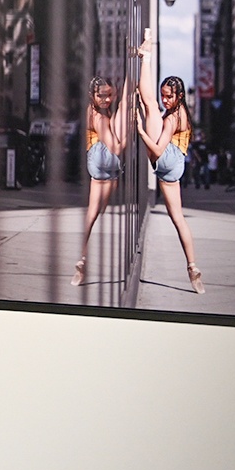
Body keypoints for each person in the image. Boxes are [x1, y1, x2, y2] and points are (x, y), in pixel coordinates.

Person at [135, 44, 204, 294]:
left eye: (169, 96)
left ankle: (146, 57)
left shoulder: (172, 117)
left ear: (180, 96)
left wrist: (141, 131)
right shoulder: (182, 113)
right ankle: (192, 267)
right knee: (179, 219)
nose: (166, 99)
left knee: (150, 105)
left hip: (167, 158)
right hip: (176, 167)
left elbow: (156, 150)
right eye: (164, 95)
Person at [70, 72, 131, 287]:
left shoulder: (90, 113)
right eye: (101, 96)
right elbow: (115, 148)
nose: (106, 100)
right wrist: (129, 135)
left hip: (95, 165)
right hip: (106, 163)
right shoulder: (101, 118)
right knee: (125, 108)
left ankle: (82, 258)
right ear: (91, 95)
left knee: (92, 213)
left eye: (109, 95)